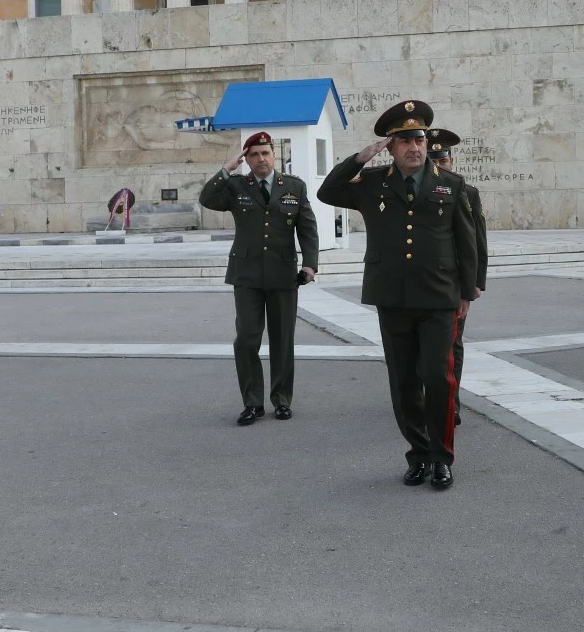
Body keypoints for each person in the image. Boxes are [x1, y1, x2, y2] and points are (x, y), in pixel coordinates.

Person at [319, 100, 480, 490]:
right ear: (390, 146)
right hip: (392, 295)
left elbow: (466, 240)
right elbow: (328, 191)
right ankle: (419, 453)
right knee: (404, 380)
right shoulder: (373, 183)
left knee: (438, 378)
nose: (415, 147)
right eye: (405, 140)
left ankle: (442, 457)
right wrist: (359, 158)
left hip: (439, 296)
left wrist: (468, 290)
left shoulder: (450, 184)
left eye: (419, 139)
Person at [199, 131, 319, 425]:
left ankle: (281, 400)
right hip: (247, 275)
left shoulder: (294, 186)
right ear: (246, 159)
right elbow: (207, 199)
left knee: (282, 340)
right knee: (246, 339)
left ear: (274, 155)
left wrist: (310, 264)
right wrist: (227, 169)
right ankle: (252, 403)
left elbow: (307, 227)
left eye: (265, 153)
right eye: (253, 155)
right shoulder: (237, 185)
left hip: (283, 275)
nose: (261, 159)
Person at [429, 128, 489, 426]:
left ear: (451, 162)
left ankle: (451, 402)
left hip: (456, 282)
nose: (441, 167)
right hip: (428, 279)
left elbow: (477, 241)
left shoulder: (468, 192)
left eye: (444, 162)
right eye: (435, 162)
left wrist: (476, 282)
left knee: (453, 344)